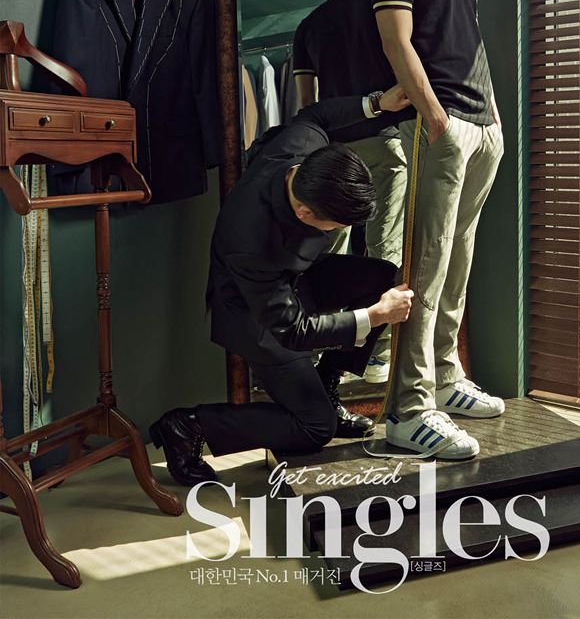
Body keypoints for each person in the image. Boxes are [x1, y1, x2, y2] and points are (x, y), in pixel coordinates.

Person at [149, 87, 414, 486]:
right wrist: (375, 316)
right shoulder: (250, 240)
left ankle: (327, 386)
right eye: (338, 225)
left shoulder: (300, 146)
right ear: (306, 212)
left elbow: (316, 116)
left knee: (380, 277)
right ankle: (188, 425)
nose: (342, 230)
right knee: (315, 428)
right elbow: (291, 330)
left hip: (299, 278)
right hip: (256, 316)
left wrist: (378, 103)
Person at [372, 0, 505, 461]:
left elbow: (467, 41)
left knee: (459, 262)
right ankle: (408, 410)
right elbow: (397, 42)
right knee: (425, 268)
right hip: (443, 127)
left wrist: (492, 118)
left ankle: (447, 379)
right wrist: (435, 119)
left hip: (482, 125)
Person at [292, 0, 407, 383]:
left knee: (329, 248)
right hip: (383, 142)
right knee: (384, 248)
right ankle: (376, 354)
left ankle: (322, 341)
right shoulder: (382, 14)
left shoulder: (309, 25)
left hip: (335, 151)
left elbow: (307, 105)